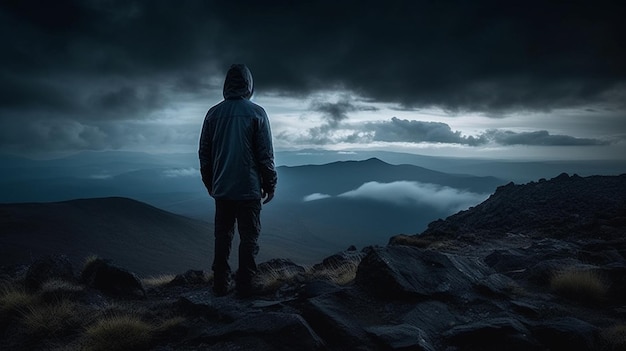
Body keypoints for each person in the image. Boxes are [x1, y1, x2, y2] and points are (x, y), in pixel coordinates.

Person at [198, 64, 277, 297]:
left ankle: (220, 283)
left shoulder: (213, 113)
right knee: (249, 237)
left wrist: (211, 184)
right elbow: (265, 155)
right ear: (249, 85)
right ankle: (245, 285)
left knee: (222, 236)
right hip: (249, 188)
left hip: (222, 188)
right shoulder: (257, 113)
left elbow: (204, 154)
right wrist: (270, 184)